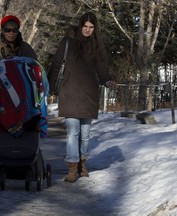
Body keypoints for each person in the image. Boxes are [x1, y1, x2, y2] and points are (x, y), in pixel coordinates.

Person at [48, 12, 117, 183]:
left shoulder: (97, 46)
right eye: (85, 26)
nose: (87, 30)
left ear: (95, 29)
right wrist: (49, 87)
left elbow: (102, 68)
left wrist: (107, 80)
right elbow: (56, 64)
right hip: (70, 92)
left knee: (85, 134)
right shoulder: (68, 42)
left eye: (91, 27)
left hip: (89, 94)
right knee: (73, 132)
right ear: (80, 26)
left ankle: (82, 164)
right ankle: (72, 167)